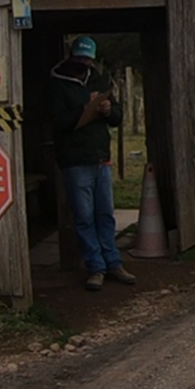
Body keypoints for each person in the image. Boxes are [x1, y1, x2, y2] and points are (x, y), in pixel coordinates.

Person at [51, 35, 136, 291]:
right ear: (71, 57)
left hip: (101, 157)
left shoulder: (100, 80)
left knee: (105, 215)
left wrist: (109, 110)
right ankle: (95, 267)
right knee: (84, 217)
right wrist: (85, 109)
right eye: (80, 59)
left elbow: (118, 117)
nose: (84, 63)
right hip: (75, 160)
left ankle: (113, 263)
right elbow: (59, 122)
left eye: (88, 59)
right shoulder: (58, 86)